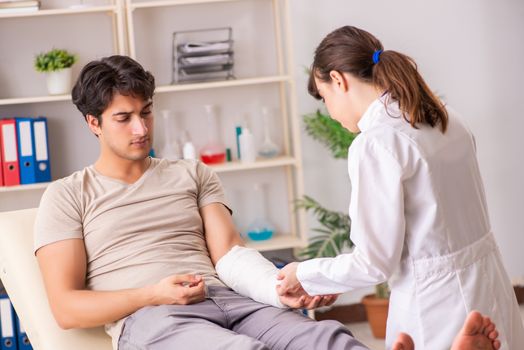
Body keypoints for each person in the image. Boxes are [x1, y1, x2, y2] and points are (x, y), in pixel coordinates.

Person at [34, 54, 368, 350]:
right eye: (124, 118)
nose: (141, 128)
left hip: (230, 301)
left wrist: (276, 288)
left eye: (146, 112)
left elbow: (231, 255)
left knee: (328, 339)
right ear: (94, 123)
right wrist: (153, 294)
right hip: (154, 317)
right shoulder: (68, 195)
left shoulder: (192, 173)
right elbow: (66, 308)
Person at [276, 25, 524, 349]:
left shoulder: (377, 143)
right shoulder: (446, 117)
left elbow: (374, 262)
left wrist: (303, 274)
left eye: (324, 98)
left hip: (436, 305)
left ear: (338, 80)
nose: (331, 114)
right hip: (491, 286)